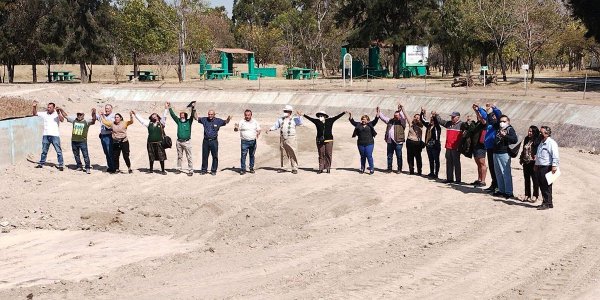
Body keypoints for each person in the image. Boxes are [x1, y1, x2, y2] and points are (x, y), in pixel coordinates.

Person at [58, 108, 97, 173]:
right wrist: (61, 110)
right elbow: (66, 116)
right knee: (76, 155)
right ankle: (79, 166)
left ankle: (87, 167)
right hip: (74, 141)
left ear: (83, 115)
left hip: (82, 141)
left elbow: (93, 120)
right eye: (78, 114)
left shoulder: (86, 122)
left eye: (80, 114)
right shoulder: (74, 120)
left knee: (85, 155)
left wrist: (94, 113)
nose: (79, 116)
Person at [267, 105, 303, 174]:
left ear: (290, 112)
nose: (285, 112)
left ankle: (294, 168)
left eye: (286, 111)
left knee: (293, 152)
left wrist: (300, 116)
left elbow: (300, 122)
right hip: (283, 138)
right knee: (284, 153)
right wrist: (270, 129)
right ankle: (284, 167)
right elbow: (276, 125)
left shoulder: (294, 119)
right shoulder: (281, 119)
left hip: (291, 138)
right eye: (284, 111)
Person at [33, 101, 65, 170]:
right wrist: (34, 107)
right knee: (44, 151)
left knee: (58, 151)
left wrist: (59, 113)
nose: (48, 108)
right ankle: (41, 163)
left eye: (50, 107)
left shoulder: (56, 114)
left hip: (55, 135)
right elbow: (35, 113)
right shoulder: (44, 114)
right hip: (46, 135)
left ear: (53, 108)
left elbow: (62, 120)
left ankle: (61, 165)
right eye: (48, 107)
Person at [134, 109, 168, 175]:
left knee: (161, 156)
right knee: (151, 156)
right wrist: (135, 114)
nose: (154, 116)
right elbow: (141, 120)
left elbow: (164, 116)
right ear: (151, 117)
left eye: (155, 115)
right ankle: (151, 169)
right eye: (152, 116)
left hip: (159, 142)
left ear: (158, 117)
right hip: (150, 143)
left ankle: (163, 170)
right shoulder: (148, 123)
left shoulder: (161, 123)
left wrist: (166, 108)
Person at [198, 109, 231, 175]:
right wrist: (194, 109)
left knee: (215, 156)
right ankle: (204, 170)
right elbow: (196, 118)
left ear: (214, 115)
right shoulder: (204, 119)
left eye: (211, 114)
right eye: (209, 114)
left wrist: (228, 118)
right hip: (206, 141)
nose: (210, 115)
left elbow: (226, 122)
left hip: (214, 141)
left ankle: (213, 170)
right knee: (205, 156)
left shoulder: (218, 121)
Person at [492, 115, 518, 198]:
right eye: (501, 121)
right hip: (496, 152)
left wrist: (505, 136)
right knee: (498, 172)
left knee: (505, 173)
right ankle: (501, 190)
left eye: (504, 121)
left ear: (508, 122)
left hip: (504, 153)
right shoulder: (499, 129)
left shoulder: (510, 129)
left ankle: (509, 192)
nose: (502, 123)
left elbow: (514, 139)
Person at [167, 101, 196, 176]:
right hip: (179, 142)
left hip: (187, 142)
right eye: (180, 116)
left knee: (189, 156)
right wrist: (169, 107)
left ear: (185, 116)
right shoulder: (179, 121)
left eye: (182, 116)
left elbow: (192, 115)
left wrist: (193, 107)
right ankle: (179, 169)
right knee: (179, 156)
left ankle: (190, 170)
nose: (181, 117)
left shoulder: (189, 122)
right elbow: (173, 115)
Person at [535, 126, 560, 210]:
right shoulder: (541, 142)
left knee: (546, 186)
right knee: (542, 185)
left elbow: (555, 155)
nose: (539, 134)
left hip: (547, 167)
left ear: (546, 134)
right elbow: (538, 155)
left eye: (541, 133)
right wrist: (536, 164)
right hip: (540, 166)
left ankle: (546, 203)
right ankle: (548, 202)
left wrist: (554, 166)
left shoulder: (551, 143)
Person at [348, 109, 379, 174]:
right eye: (362, 119)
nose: (363, 120)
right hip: (360, 143)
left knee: (369, 155)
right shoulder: (358, 124)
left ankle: (371, 168)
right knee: (362, 156)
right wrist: (350, 114)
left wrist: (378, 113)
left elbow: (376, 119)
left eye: (364, 119)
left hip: (369, 143)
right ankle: (362, 168)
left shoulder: (370, 124)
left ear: (368, 120)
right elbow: (352, 121)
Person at [378, 104, 407, 174]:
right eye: (394, 115)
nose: (395, 116)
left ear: (399, 116)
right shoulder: (390, 120)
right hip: (390, 141)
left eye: (396, 115)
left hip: (398, 141)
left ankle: (399, 169)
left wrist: (400, 110)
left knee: (399, 156)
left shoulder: (402, 122)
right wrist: (379, 112)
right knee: (389, 155)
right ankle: (389, 168)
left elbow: (403, 117)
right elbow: (383, 118)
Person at [436, 111, 464, 183]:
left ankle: (458, 180)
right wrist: (436, 115)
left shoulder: (462, 125)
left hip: (456, 147)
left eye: (453, 117)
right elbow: (441, 121)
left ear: (458, 117)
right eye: (451, 117)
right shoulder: (449, 123)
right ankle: (449, 178)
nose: (452, 118)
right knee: (449, 163)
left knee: (456, 163)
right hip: (448, 147)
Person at [482, 104, 502, 192]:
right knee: (491, 167)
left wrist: (494, 108)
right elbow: (485, 115)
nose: (492, 117)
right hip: (489, 148)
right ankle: (493, 184)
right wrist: (478, 108)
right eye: (491, 116)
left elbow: (499, 115)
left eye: (493, 116)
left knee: (495, 168)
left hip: (494, 148)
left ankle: (498, 185)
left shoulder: (497, 125)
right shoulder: (489, 124)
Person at [234, 109, 261, 175]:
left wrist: (258, 133)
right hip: (244, 142)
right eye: (246, 115)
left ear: (251, 115)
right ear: (244, 115)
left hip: (253, 141)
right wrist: (236, 128)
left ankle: (251, 168)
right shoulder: (241, 122)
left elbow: (259, 129)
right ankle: (243, 169)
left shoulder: (255, 122)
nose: (247, 116)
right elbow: (236, 129)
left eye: (248, 115)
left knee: (252, 155)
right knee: (243, 155)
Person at [520, 126, 541, 202]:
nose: (529, 133)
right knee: (526, 179)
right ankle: (527, 195)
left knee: (535, 179)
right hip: (526, 161)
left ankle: (535, 195)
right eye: (529, 131)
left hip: (533, 163)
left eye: (531, 131)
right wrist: (521, 158)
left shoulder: (538, 140)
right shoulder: (526, 139)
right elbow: (523, 149)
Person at [470, 104, 489, 187]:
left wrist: (477, 110)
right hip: (476, 145)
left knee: (482, 163)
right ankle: (479, 179)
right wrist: (475, 111)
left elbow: (482, 119)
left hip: (481, 146)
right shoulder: (478, 123)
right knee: (478, 163)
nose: (478, 116)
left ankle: (483, 180)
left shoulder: (485, 123)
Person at [421, 108, 441, 179]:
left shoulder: (437, 127)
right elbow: (422, 120)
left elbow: (436, 121)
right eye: (431, 119)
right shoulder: (428, 126)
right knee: (431, 159)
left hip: (435, 146)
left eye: (433, 120)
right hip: (429, 146)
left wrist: (434, 116)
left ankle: (436, 174)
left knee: (436, 160)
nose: (432, 121)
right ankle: (431, 172)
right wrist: (422, 113)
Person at [95, 104, 116, 173]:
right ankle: (110, 166)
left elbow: (109, 124)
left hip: (109, 136)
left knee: (110, 152)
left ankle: (113, 167)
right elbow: (94, 117)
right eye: (106, 108)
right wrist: (94, 112)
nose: (106, 109)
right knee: (106, 152)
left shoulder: (113, 116)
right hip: (103, 136)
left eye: (108, 108)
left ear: (111, 109)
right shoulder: (102, 115)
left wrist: (103, 116)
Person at [404, 106, 424, 175]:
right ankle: (411, 170)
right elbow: (406, 114)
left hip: (417, 143)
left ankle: (419, 171)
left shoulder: (421, 124)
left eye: (418, 117)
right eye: (416, 117)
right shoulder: (411, 122)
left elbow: (423, 119)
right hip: (409, 141)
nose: (417, 118)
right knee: (410, 157)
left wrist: (422, 112)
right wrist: (402, 107)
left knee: (418, 157)